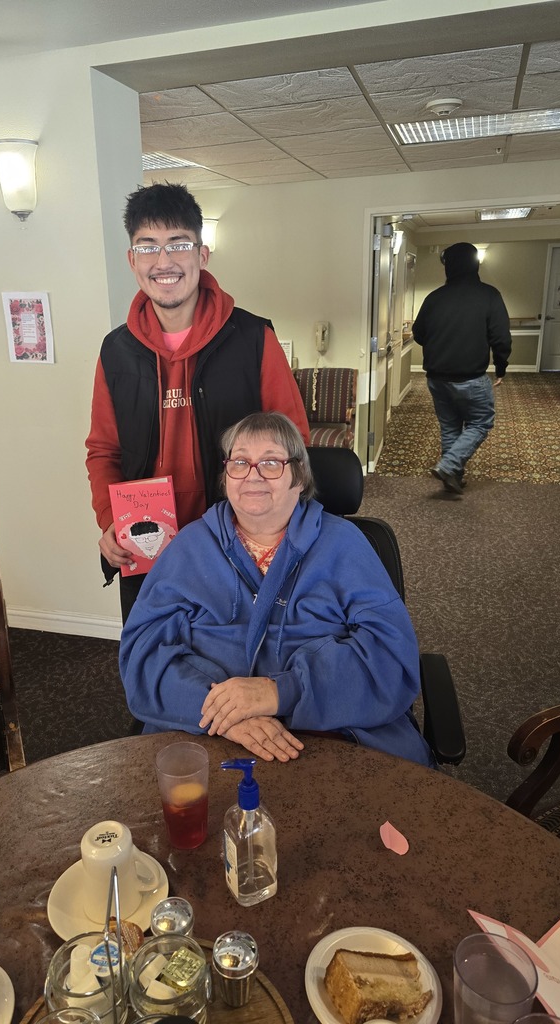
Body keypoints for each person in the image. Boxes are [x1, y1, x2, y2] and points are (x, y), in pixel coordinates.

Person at [119, 411, 433, 767]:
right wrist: (227, 713)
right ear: (226, 477)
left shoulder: (346, 545)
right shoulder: (190, 546)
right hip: (208, 727)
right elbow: (143, 655)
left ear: (298, 477)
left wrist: (278, 692)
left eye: (270, 462)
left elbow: (391, 658)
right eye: (240, 462)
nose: (252, 475)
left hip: (334, 729)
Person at [86, 182, 309, 621]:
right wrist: (109, 520)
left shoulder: (252, 339)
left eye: (178, 244)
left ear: (202, 255)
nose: (163, 261)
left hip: (237, 539)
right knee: (153, 664)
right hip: (147, 546)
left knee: (236, 665)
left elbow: (293, 442)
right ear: (132, 260)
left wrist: (269, 525)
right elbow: (103, 451)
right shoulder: (116, 352)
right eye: (147, 247)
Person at [413, 242, 512, 494]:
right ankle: (450, 465)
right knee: (481, 423)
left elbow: (418, 334)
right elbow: (500, 338)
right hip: (471, 379)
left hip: (437, 378)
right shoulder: (489, 295)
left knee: (450, 427)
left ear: (448, 267)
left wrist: (441, 340)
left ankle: (453, 477)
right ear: (475, 264)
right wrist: (501, 367)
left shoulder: (434, 298)